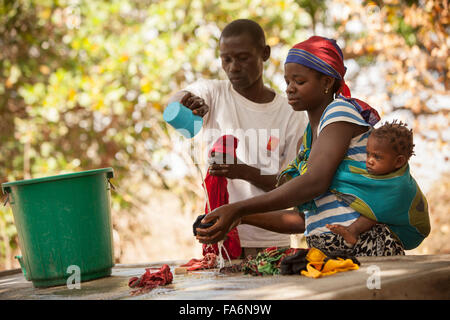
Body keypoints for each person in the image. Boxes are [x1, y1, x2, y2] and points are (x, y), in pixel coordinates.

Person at [196, 36, 407, 257]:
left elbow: (314, 182)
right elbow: (302, 219)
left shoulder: (340, 114)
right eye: (287, 82)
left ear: (326, 82)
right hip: (332, 255)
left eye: (299, 82)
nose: (290, 89)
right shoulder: (307, 141)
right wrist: (238, 218)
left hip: (367, 246)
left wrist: (239, 208)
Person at [168, 19, 307, 257]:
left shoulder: (290, 114)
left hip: (270, 241)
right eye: (226, 59)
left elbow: (290, 187)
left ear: (264, 54)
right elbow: (175, 101)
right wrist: (184, 104)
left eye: (243, 58)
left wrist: (242, 171)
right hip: (219, 239)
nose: (233, 67)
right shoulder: (213, 94)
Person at [326, 120, 416, 246]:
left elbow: (383, 207)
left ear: (399, 162)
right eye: (368, 154)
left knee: (377, 210)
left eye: (377, 157)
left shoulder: (400, 185)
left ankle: (352, 231)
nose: (369, 161)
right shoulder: (378, 171)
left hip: (410, 230)